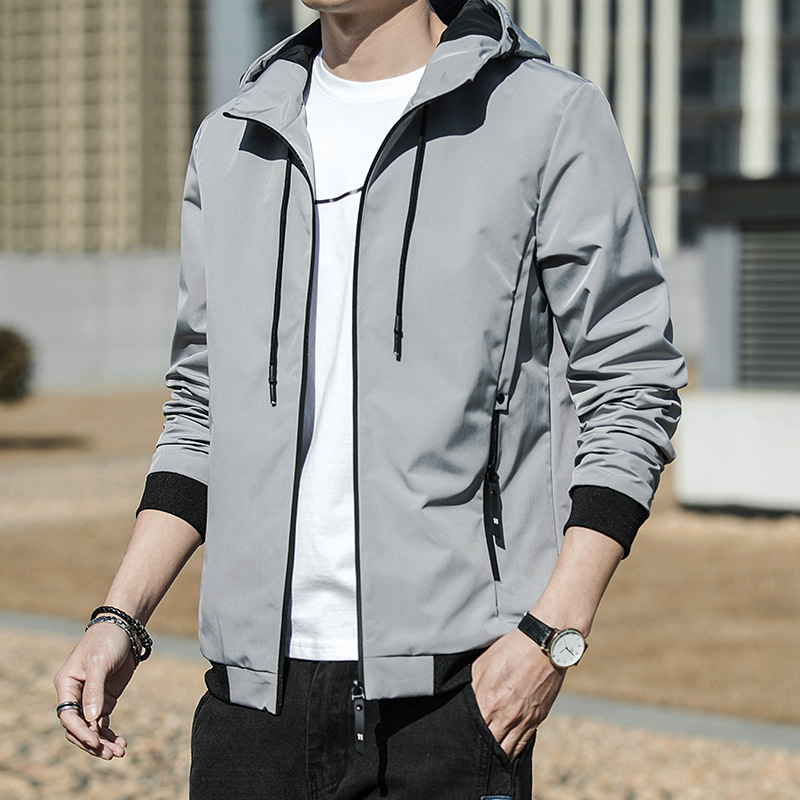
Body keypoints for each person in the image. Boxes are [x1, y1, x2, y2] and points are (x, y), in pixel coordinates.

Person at [54, 0, 686, 797]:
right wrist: (119, 618)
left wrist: (552, 634)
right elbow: (201, 412)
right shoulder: (235, 137)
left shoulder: (545, 115)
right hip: (252, 707)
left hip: (452, 702)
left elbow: (632, 379)